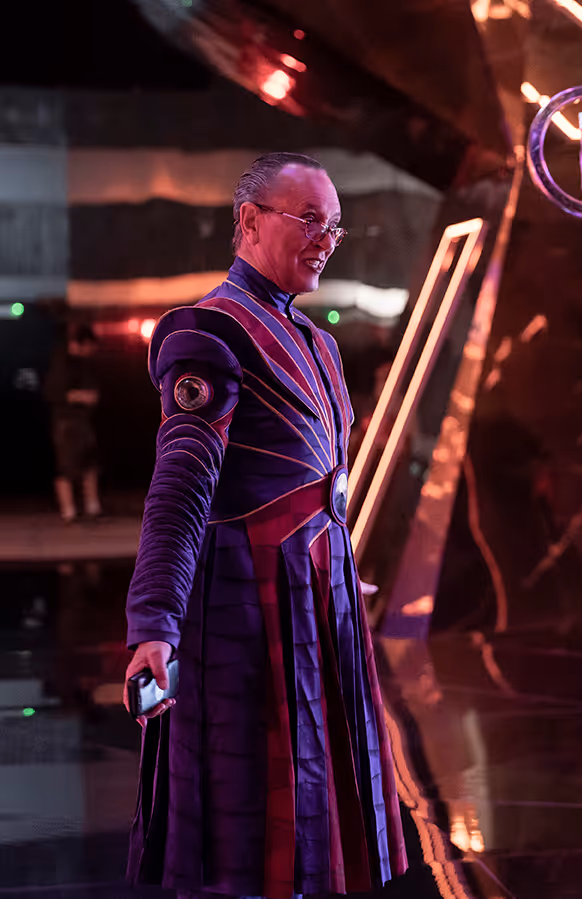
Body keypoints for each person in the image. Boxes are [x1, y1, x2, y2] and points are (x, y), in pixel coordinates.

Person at [122, 152, 406, 898]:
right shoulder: (205, 332)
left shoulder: (317, 340)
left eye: (334, 226)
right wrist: (154, 623)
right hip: (242, 600)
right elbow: (180, 485)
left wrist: (337, 565)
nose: (326, 240)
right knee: (247, 826)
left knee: (312, 810)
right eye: (310, 220)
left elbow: (316, 485)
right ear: (249, 220)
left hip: (315, 593)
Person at [46, 322, 103, 523]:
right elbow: (53, 392)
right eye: (89, 346)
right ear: (81, 343)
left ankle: (92, 507)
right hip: (66, 422)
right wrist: (79, 396)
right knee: (66, 465)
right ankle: (68, 511)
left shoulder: (87, 365)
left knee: (90, 463)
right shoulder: (61, 362)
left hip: (85, 421)